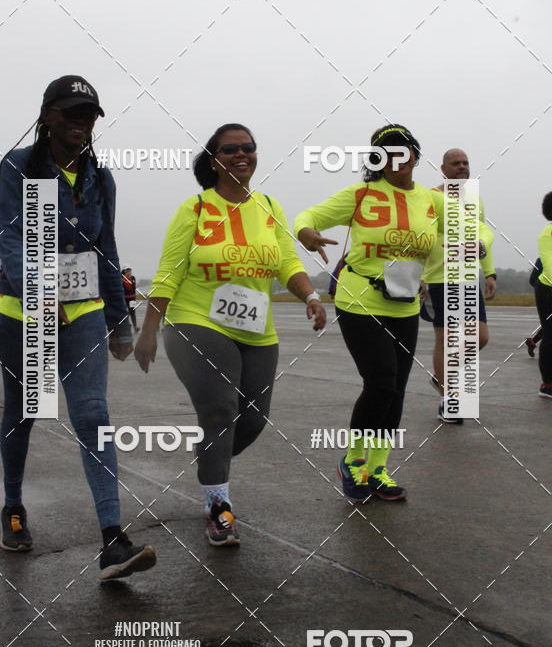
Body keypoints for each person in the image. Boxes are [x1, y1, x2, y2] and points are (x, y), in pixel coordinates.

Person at [0, 75, 156, 580]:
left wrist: (120, 319)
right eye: (72, 113)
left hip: (81, 316)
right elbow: (10, 239)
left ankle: (112, 538)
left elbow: (106, 251)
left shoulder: (99, 180)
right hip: (25, 318)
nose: (81, 123)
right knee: (26, 412)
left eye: (89, 115)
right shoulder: (20, 168)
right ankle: (13, 506)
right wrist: (39, 295)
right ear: (47, 116)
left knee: (92, 413)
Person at [135, 123, 326, 546]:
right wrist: (149, 329)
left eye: (249, 148)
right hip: (196, 321)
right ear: (214, 159)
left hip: (256, 328)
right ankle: (218, 506)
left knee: (253, 420)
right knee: (220, 411)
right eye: (230, 149)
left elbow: (287, 264)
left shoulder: (269, 206)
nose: (242, 154)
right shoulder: (195, 209)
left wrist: (311, 295)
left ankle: (210, 460)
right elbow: (169, 271)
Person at [295, 124, 444, 502]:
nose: (395, 159)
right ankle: (353, 462)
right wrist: (306, 233)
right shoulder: (360, 195)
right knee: (380, 381)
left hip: (406, 304)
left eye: (402, 150)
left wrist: (477, 247)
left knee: (396, 391)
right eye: (384, 152)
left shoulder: (432, 200)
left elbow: (466, 229)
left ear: (415, 154)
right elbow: (308, 215)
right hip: (359, 298)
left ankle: (378, 469)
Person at [422, 149, 496, 424]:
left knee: (481, 337)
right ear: (443, 168)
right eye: (456, 164)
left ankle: (441, 376)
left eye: (466, 163)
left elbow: (482, 235)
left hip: (468, 277)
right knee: (447, 339)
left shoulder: (475, 201)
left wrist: (490, 273)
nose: (462, 167)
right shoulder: (431, 198)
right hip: (439, 278)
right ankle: (447, 399)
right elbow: (420, 235)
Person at [534, 193, 552, 398]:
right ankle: (547, 384)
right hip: (548, 290)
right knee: (550, 335)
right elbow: (549, 267)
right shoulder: (548, 233)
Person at [121, 267, 139, 332]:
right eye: (128, 270)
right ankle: (127, 327)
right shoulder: (121, 278)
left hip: (132, 299)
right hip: (124, 299)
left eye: (130, 270)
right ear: (124, 271)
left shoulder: (133, 278)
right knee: (125, 313)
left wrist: (125, 281)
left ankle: (135, 327)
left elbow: (132, 287)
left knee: (133, 313)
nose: (129, 271)